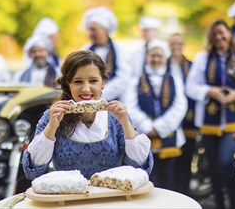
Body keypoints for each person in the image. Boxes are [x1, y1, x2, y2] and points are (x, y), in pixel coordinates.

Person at [22, 50, 153, 180]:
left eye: (93, 81)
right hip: (67, 197)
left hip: (111, 196)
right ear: (68, 84)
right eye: (78, 81)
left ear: (103, 83)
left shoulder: (116, 117)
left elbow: (138, 168)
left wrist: (125, 124)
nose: (86, 89)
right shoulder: (52, 116)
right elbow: (34, 172)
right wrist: (51, 128)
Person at [185, 19, 235, 208]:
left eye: (222, 33)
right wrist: (210, 92)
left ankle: (234, 202)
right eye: (215, 34)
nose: (220, 37)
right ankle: (219, 203)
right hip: (210, 122)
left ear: (229, 34)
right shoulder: (204, 57)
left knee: (225, 161)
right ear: (211, 37)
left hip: (234, 121)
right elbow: (191, 87)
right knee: (212, 165)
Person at [124, 40, 187, 190]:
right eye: (153, 56)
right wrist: (147, 126)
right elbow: (130, 106)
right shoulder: (135, 81)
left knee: (168, 176)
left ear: (166, 58)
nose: (156, 60)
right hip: (144, 135)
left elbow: (180, 105)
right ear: (147, 57)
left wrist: (159, 128)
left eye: (160, 56)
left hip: (168, 135)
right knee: (148, 176)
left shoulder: (175, 80)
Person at [168, 33, 198, 195]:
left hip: (188, 119)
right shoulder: (163, 65)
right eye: (172, 44)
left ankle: (184, 191)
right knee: (169, 159)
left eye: (179, 44)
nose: (176, 47)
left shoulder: (191, 66)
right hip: (169, 118)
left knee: (186, 157)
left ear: (183, 45)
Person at [82, 6, 131, 101]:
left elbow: (123, 78)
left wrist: (99, 94)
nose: (90, 34)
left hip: (114, 101)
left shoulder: (119, 49)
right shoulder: (85, 49)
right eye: (89, 30)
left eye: (93, 30)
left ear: (105, 29)